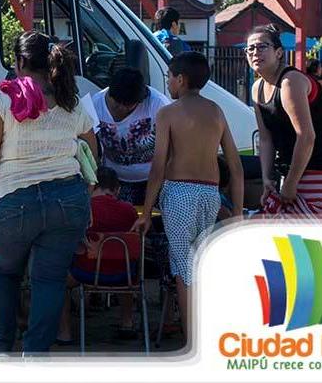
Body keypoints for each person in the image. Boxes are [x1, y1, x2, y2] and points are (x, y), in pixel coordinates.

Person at [0, 31, 98, 356]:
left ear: (21, 62)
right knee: (50, 281)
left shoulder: (5, 99)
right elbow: (91, 147)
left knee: (3, 272)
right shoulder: (71, 98)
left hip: (12, 201)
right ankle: (35, 356)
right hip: (67, 199)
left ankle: (0, 349)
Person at [134, 52, 244, 343]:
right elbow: (235, 166)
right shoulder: (216, 111)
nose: (168, 82)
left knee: (184, 268)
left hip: (179, 192)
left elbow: (158, 166)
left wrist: (146, 212)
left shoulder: (168, 113)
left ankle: (192, 339)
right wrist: (239, 212)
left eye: (170, 76)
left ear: (180, 79)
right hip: (210, 193)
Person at [57, 166, 139, 344]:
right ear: (117, 189)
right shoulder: (130, 211)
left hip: (86, 273)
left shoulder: (81, 210)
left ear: (91, 186)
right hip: (123, 275)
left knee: (57, 280)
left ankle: (64, 332)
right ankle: (127, 321)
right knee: (126, 265)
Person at [247, 25, 322, 218]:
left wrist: (291, 183)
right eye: (250, 48)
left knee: (306, 243)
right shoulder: (257, 88)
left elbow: (306, 136)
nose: (255, 52)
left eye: (262, 46)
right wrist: (266, 178)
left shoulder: (290, 82)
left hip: (314, 173)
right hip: (289, 173)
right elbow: (265, 139)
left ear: (279, 52)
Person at [93, 67, 171, 205]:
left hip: (154, 180)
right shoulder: (95, 103)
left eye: (129, 106)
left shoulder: (158, 104)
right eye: (117, 105)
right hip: (116, 182)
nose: (122, 109)